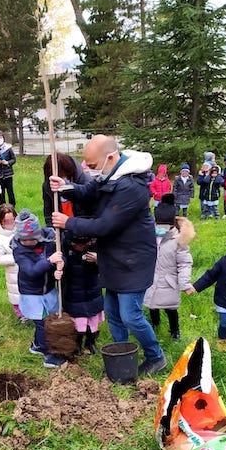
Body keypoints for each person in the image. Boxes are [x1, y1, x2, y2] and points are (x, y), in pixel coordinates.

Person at [50, 134, 167, 376]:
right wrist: (65, 188)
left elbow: (104, 225)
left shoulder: (131, 187)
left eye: (92, 165)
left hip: (133, 260)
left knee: (130, 315)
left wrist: (68, 222)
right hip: (114, 256)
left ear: (110, 157)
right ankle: (122, 354)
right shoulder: (111, 174)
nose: (88, 170)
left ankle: (156, 356)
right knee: (113, 313)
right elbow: (88, 192)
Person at [10, 208, 65, 368]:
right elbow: (32, 271)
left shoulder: (49, 240)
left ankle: (37, 345)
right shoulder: (19, 251)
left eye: (33, 239)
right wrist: (49, 261)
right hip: (32, 294)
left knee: (50, 318)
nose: (30, 243)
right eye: (25, 240)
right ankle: (49, 355)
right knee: (43, 323)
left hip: (48, 290)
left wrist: (60, 267)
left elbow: (60, 255)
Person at [144, 193, 194, 340]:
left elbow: (184, 263)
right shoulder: (150, 236)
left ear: (172, 224)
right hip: (151, 278)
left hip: (169, 281)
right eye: (159, 225)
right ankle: (155, 324)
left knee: (170, 308)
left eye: (165, 226)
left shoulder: (178, 241)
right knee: (152, 304)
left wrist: (184, 283)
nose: (162, 229)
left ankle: (175, 330)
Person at [62, 232, 104, 355]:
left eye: (83, 245)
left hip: (92, 290)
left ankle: (90, 342)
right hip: (73, 292)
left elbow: (108, 265)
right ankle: (77, 344)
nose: (80, 248)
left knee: (92, 320)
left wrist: (99, 260)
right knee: (78, 321)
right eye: (77, 245)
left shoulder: (96, 246)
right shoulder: (65, 246)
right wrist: (60, 265)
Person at [0, 203, 26, 323]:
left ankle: (30, 311)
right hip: (13, 273)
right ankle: (21, 315)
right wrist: (15, 258)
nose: (11, 224)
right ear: (1, 222)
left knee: (27, 291)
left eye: (13, 220)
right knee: (15, 293)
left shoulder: (22, 232)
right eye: (7, 221)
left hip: (26, 270)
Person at [42, 153, 89, 227]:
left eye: (62, 177)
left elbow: (90, 216)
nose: (58, 181)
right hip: (62, 232)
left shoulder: (85, 183)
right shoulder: (48, 186)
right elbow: (49, 215)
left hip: (82, 228)